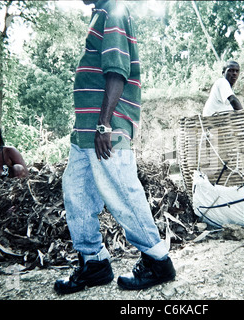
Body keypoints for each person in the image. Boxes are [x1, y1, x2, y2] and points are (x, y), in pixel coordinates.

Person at [54, 0, 175, 294]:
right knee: (76, 192)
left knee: (121, 190)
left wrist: (104, 124)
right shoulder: (101, 14)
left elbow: (117, 71)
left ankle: (158, 260)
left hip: (105, 127)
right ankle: (94, 262)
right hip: (85, 131)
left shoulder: (114, 11)